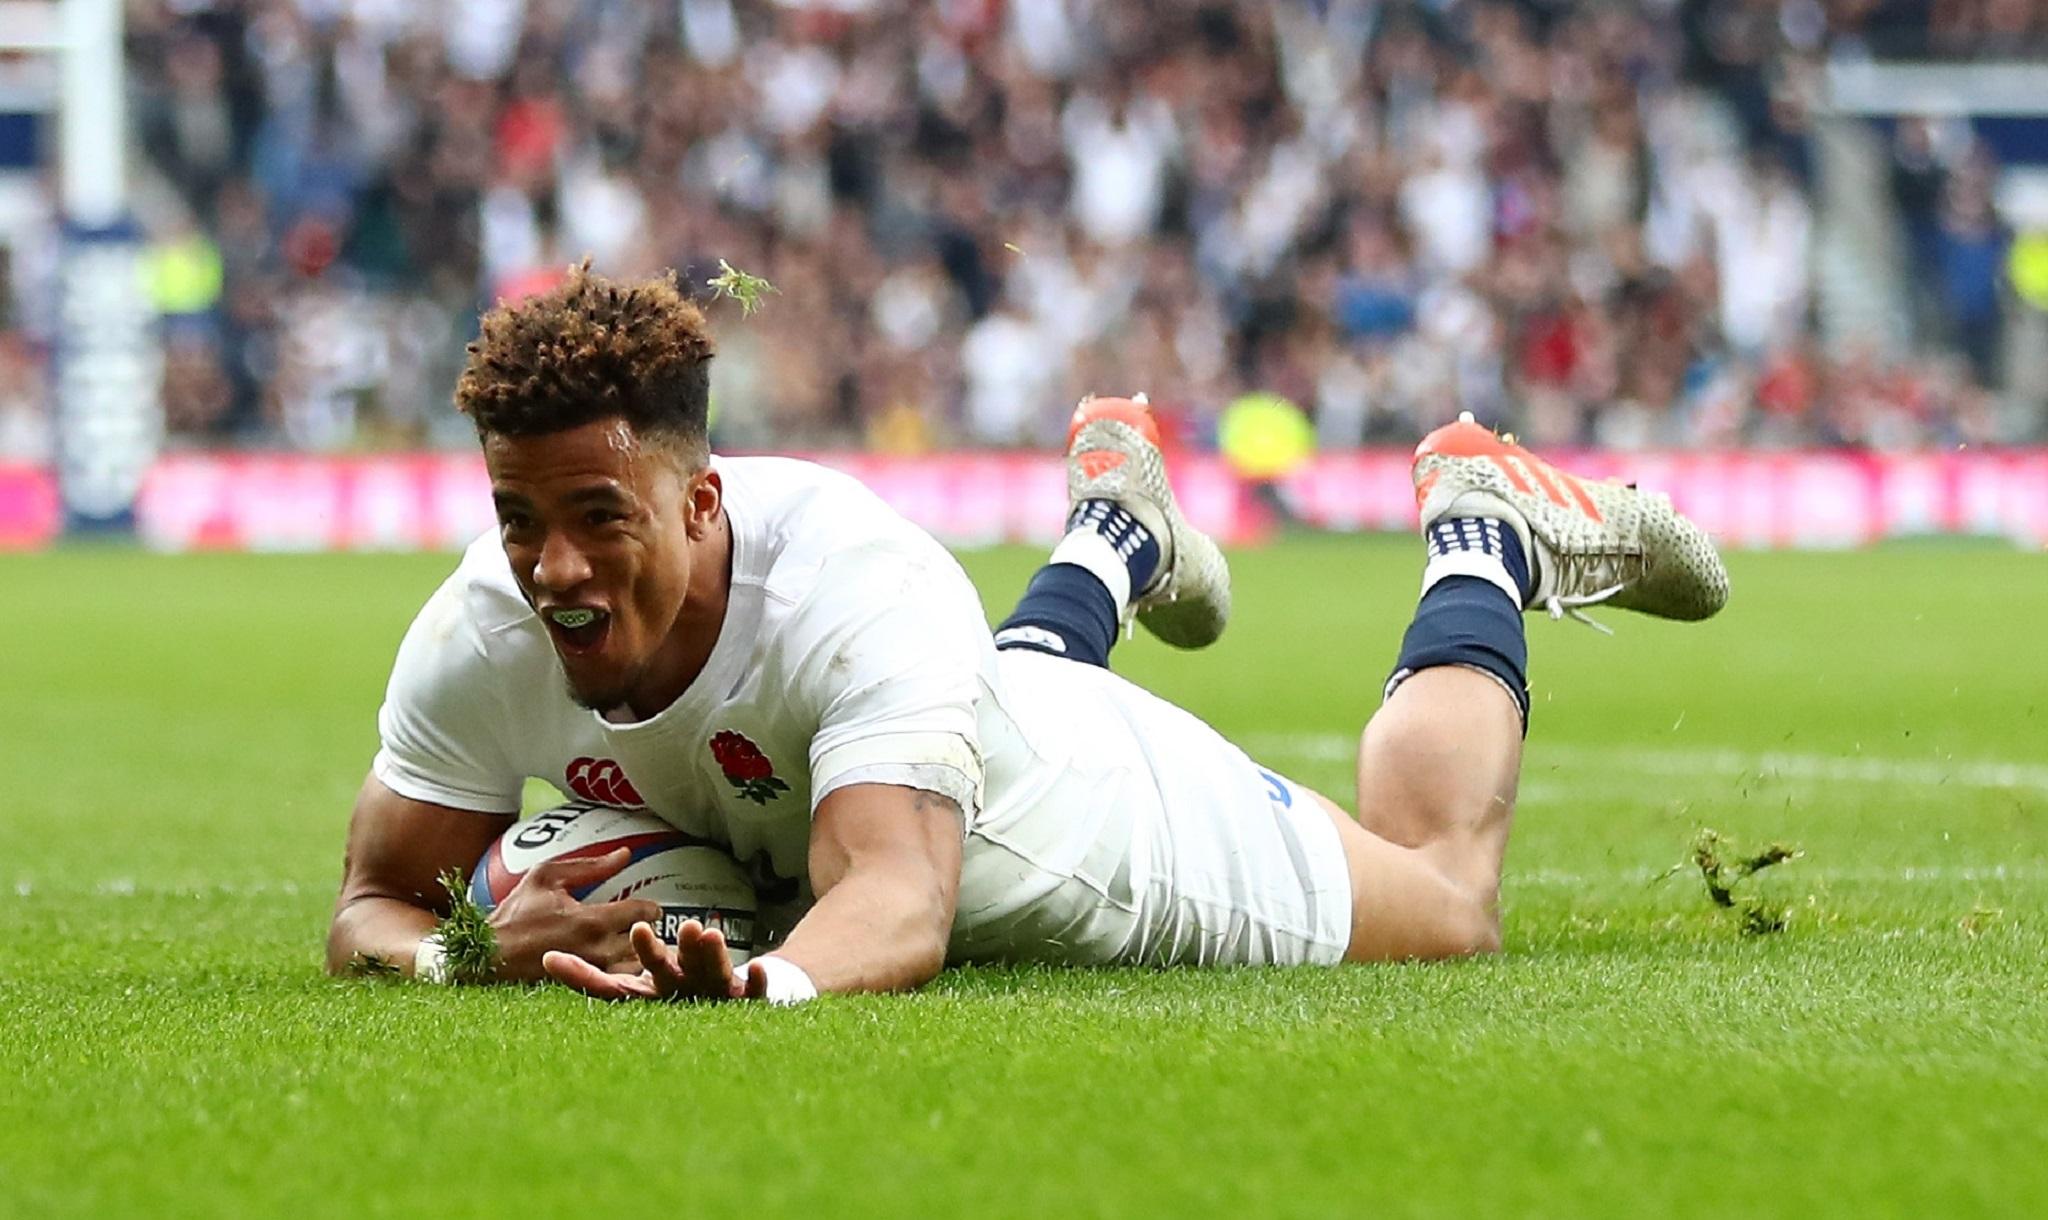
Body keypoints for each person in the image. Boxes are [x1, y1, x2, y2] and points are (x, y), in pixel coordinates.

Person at [325, 265, 1728, 1003]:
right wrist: (457, 956)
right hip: (960, 713)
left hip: (1082, 824)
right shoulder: (478, 629)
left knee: (1449, 898)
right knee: (968, 695)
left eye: (597, 517)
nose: (551, 566)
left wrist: (763, 986)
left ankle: (1482, 531)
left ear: (699, 499)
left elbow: (903, 902)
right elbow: (370, 908)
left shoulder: (854, 588)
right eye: (518, 516)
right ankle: (1117, 531)